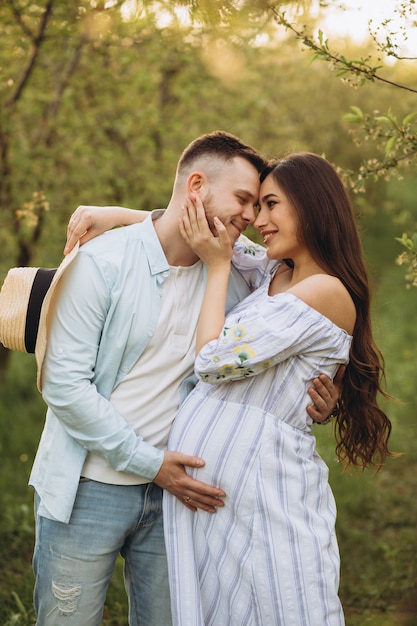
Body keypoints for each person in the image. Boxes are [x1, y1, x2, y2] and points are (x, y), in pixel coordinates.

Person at [31, 132, 339, 626]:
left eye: (261, 205)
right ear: (196, 185)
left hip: (182, 495)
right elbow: (64, 387)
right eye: (244, 200)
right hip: (89, 488)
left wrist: (330, 390)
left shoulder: (240, 275)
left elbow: (305, 319)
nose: (252, 219)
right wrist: (151, 464)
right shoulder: (101, 264)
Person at [161, 153, 394, 626]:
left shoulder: (325, 291)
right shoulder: (278, 273)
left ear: (311, 207)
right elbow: (206, 231)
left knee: (280, 605)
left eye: (271, 205)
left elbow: (212, 361)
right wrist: (110, 216)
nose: (258, 221)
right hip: (222, 494)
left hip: (266, 491)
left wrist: (219, 269)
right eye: (257, 207)